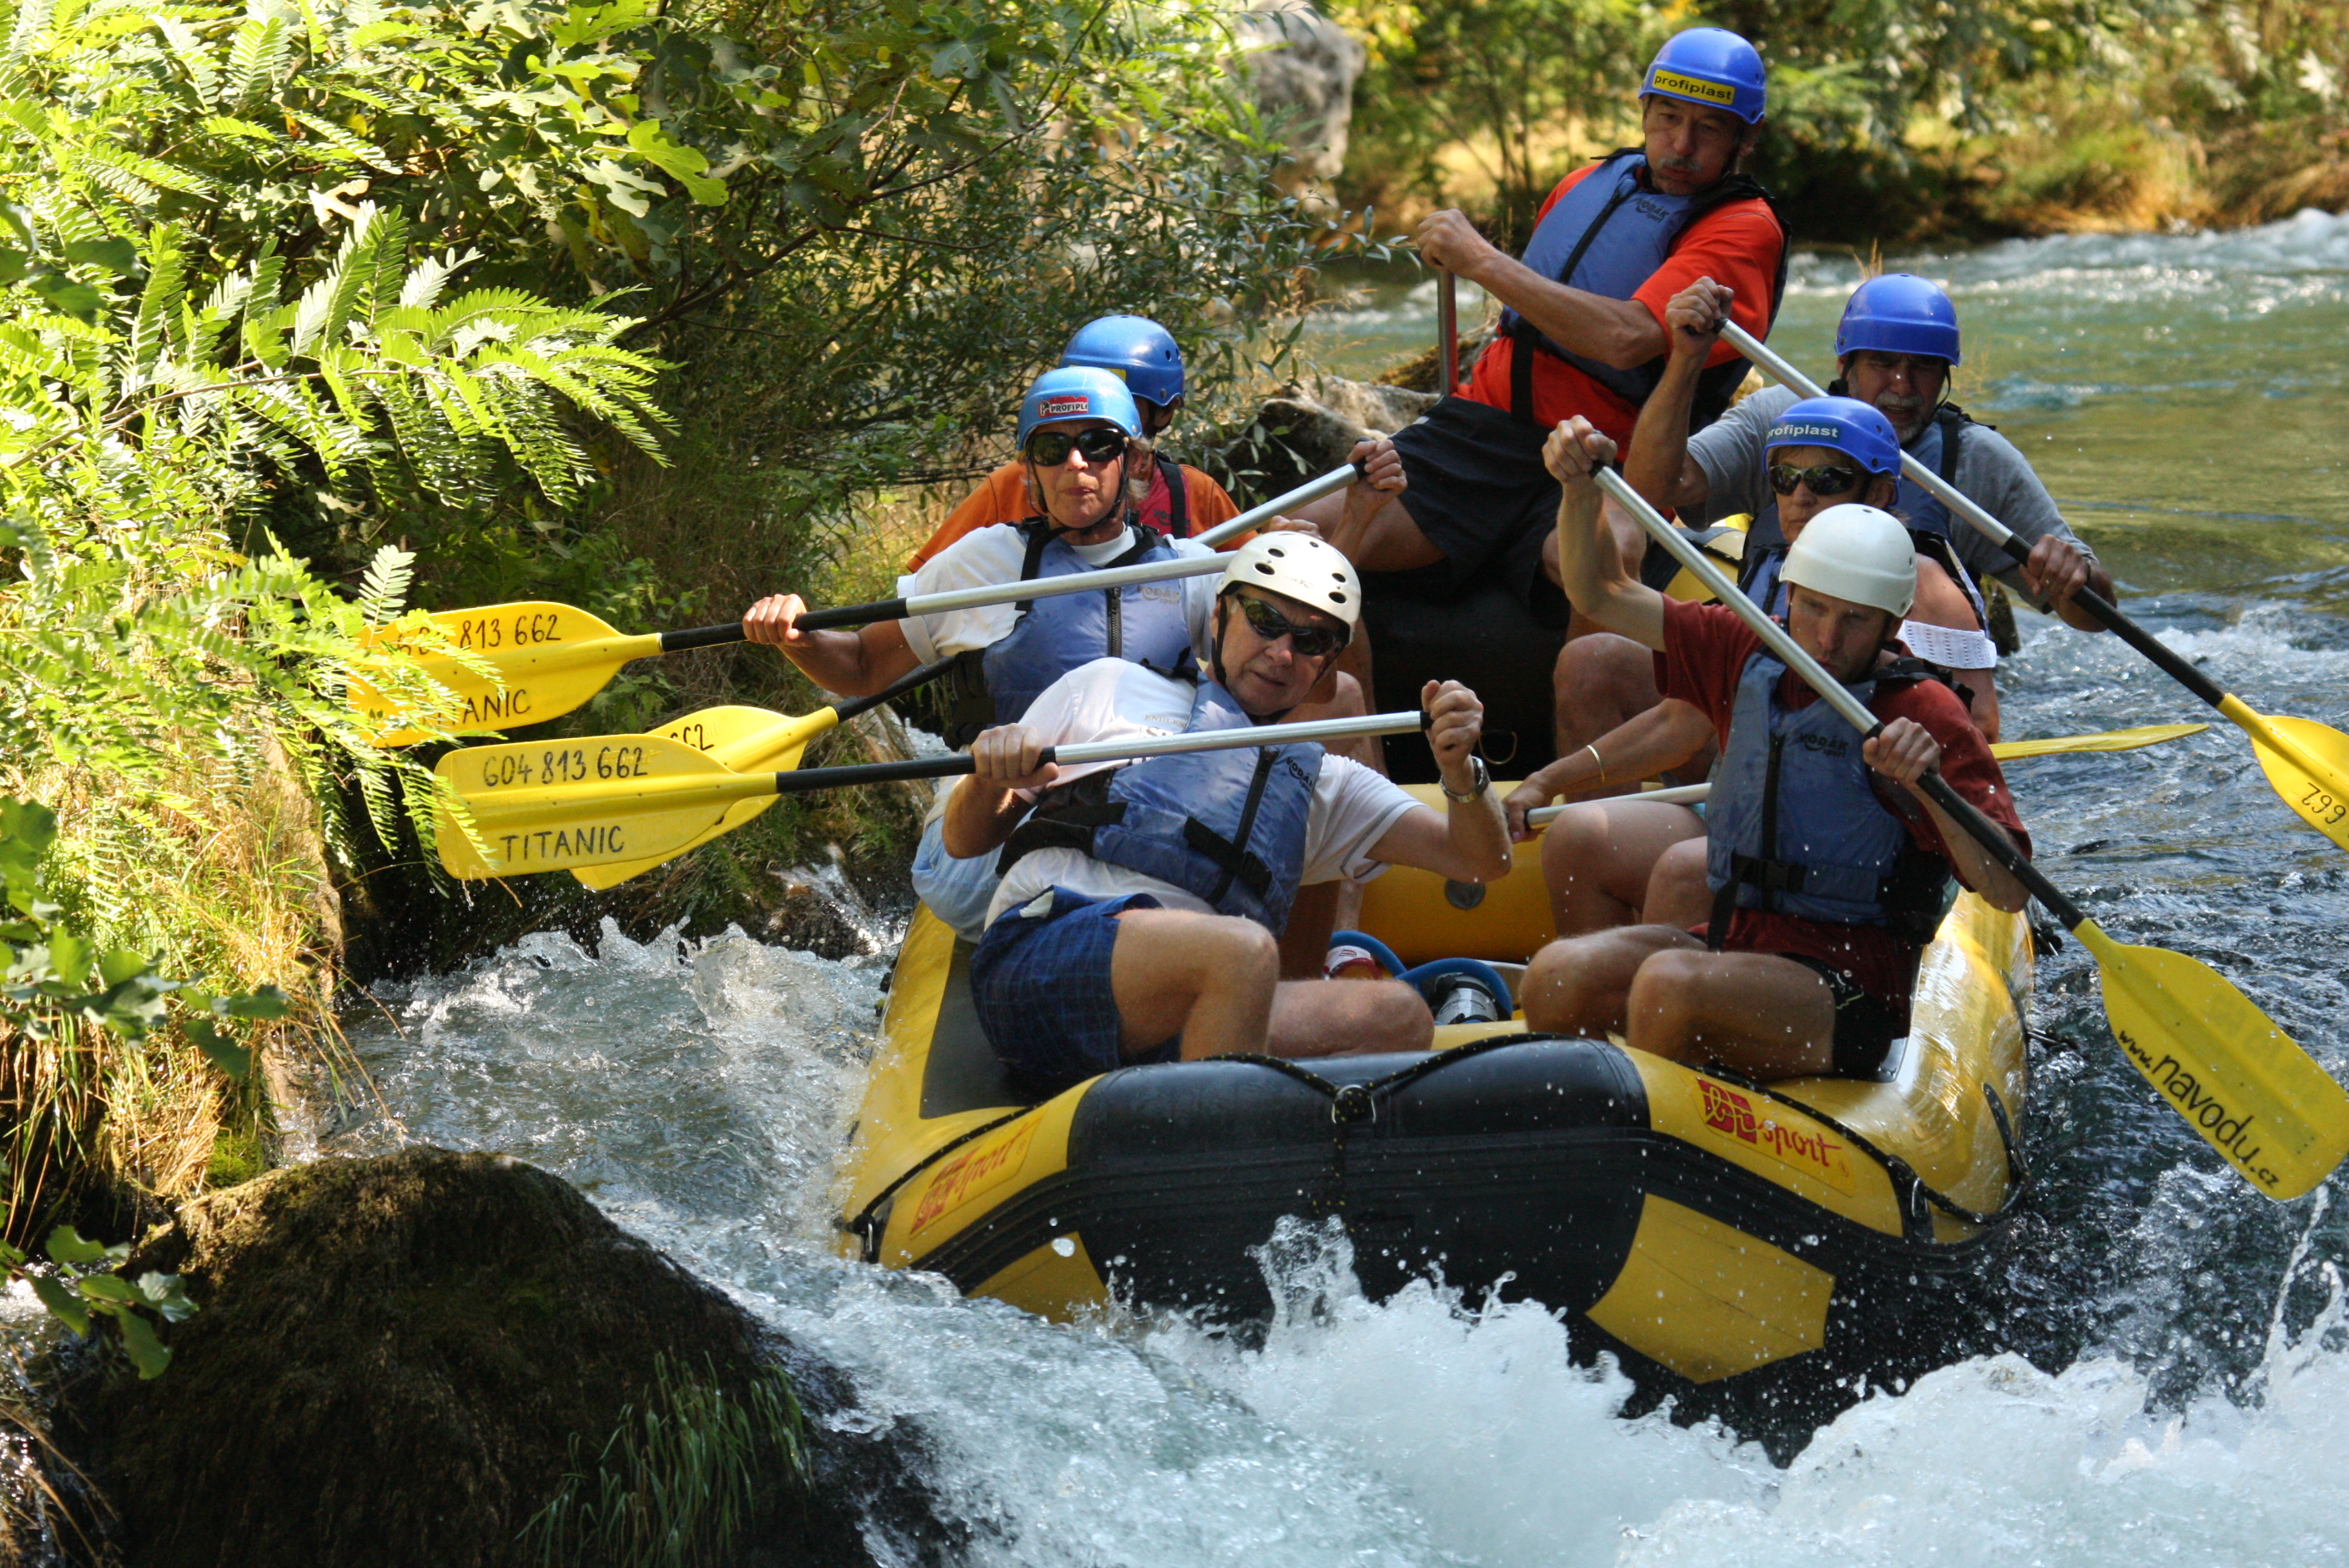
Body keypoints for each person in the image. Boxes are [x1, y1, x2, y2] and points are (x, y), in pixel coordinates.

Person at [742, 365, 1400, 942]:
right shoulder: (984, 564)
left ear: (1136, 464)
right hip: (987, 832)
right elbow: (859, 668)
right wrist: (797, 637)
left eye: (1097, 445)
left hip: (1126, 818)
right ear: (1030, 469)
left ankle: (1322, 953)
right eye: (1052, 449)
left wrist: (1360, 517)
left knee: (1327, 711)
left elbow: (1304, 666)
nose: (1075, 465)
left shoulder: (1192, 572)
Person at [1518, 418, 2040, 1081]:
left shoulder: (1923, 711)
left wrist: (1926, 789)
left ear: (1891, 621)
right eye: (1814, 609)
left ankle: (1654, 1151)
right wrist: (1579, 491)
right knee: (1558, 975)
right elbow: (1600, 593)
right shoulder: (1746, 646)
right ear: (1789, 594)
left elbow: (2007, 889)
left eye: (1853, 619)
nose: (1825, 639)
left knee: (1669, 986)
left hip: (1847, 985)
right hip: (1736, 939)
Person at [944, 535, 1511, 1096]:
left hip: (1197, 1002)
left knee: (1398, 1016)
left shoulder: (1326, 783)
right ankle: (1216, 1160)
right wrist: (988, 778)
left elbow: (1482, 859)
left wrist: (1463, 773)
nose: (1282, 652)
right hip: (1044, 957)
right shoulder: (1110, 687)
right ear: (1219, 614)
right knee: (1242, 951)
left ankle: (1234, 1131)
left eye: (1311, 639)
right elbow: (963, 840)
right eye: (1265, 619)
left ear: (1326, 667)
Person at [1298, 26, 1785, 626]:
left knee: (1603, 571)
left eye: (1707, 128)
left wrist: (1478, 257)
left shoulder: (1744, 228)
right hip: (1484, 428)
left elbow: (1626, 338)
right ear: (1643, 111)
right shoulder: (1586, 184)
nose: (1681, 144)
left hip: (1605, 453)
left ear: (1745, 138)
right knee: (1299, 535)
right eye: (1667, 117)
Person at [1552, 272, 2116, 768]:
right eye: (1883, 364)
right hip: (1749, 679)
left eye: (1922, 369)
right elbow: (1653, 490)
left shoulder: (1976, 465)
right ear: (1845, 365)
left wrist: (2076, 578)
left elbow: (2090, 614)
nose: (1901, 385)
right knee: (1591, 663)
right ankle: (1594, 841)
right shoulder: (1783, 418)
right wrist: (1685, 359)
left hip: (1871, 725)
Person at [907, 316, 1241, 569]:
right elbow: (926, 587)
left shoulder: (1194, 492)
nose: (1075, 461)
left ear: (1164, 413)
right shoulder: (1013, 483)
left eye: (1100, 438)